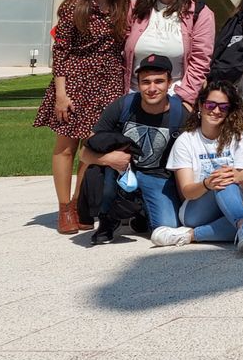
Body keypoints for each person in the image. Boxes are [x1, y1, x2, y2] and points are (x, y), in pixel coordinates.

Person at [33, 0, 131, 234]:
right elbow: (61, 52)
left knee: (96, 148)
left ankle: (79, 203)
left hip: (108, 86)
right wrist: (61, 94)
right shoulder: (74, 7)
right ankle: (64, 208)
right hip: (75, 85)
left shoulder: (121, 8)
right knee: (66, 147)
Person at [76, 54, 188, 245]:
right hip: (119, 171)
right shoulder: (123, 106)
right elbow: (83, 153)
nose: (152, 88)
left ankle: (140, 212)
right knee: (101, 174)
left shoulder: (181, 114)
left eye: (159, 81)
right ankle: (107, 219)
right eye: (146, 82)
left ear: (170, 83)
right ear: (138, 84)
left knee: (168, 225)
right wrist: (109, 159)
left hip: (158, 175)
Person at [153, 81, 243, 253]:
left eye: (223, 107)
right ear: (200, 106)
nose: (216, 111)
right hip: (198, 211)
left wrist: (237, 176)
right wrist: (207, 183)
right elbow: (187, 191)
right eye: (210, 105)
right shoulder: (186, 140)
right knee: (222, 179)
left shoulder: (239, 135)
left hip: (238, 204)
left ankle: (190, 235)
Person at [124, 0, 214, 107]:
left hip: (174, 99)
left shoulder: (200, 13)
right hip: (134, 97)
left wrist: (184, 99)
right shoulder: (136, 6)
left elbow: (200, 62)